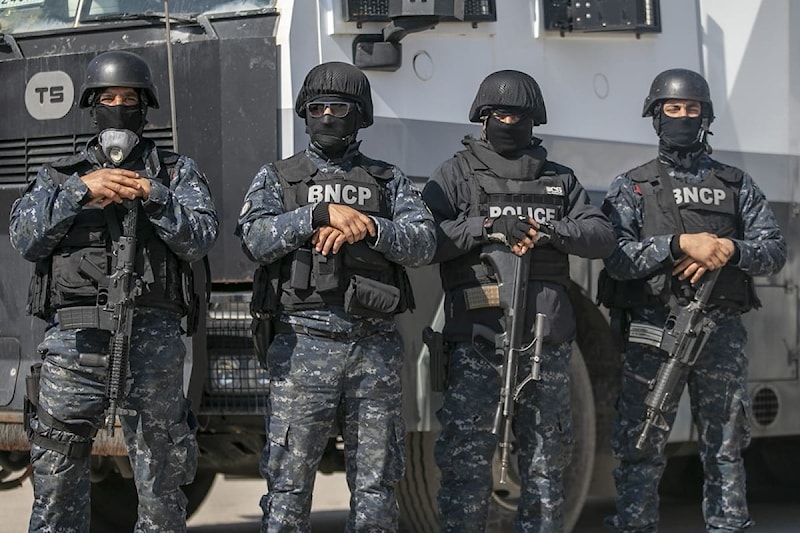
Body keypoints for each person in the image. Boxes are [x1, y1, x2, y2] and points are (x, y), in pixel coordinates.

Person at [9, 50, 218, 532]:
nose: (119, 108)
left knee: (162, 479)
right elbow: (24, 238)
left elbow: (201, 237)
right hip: (74, 346)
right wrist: (80, 191)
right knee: (57, 477)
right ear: (93, 106)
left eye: (129, 99)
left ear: (144, 108)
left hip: (153, 344)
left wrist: (153, 194)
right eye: (108, 99)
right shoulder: (59, 175)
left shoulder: (176, 173)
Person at [235, 61, 436, 533]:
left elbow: (425, 242)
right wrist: (316, 215)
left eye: (339, 108)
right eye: (317, 108)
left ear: (360, 115)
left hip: (373, 349)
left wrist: (370, 228)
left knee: (376, 488)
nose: (327, 116)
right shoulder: (279, 178)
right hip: (303, 345)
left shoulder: (387, 180)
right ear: (305, 114)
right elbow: (254, 239)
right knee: (287, 488)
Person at [421, 69, 615, 532]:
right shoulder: (456, 174)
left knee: (548, 468)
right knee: (466, 466)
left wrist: (551, 232)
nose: (509, 123)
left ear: (534, 121)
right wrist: (487, 228)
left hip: (546, 346)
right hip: (477, 342)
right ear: (483, 118)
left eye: (518, 116)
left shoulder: (559, 180)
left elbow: (602, 235)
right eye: (500, 115)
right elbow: (425, 239)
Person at [600, 68, 786, 533]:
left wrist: (730, 250)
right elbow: (615, 256)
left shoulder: (736, 184)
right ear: (656, 116)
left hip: (718, 332)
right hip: (654, 329)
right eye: (673, 108)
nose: (683, 117)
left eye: (691, 109)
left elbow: (774, 250)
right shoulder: (634, 186)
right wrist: (678, 245)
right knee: (641, 440)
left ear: (705, 116)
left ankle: (728, 525)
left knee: (725, 445)